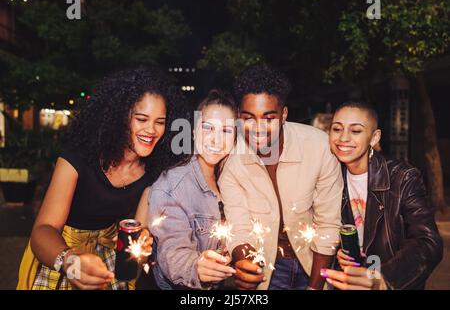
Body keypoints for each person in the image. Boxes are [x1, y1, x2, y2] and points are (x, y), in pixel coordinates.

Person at [17, 67, 185, 290]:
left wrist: (142, 246)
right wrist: (70, 262)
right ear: (120, 117)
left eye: (160, 122)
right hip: (59, 257)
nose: (151, 130)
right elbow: (43, 229)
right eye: (142, 119)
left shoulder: (154, 172)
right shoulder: (78, 157)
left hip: (108, 266)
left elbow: (139, 232)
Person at [218, 65, 343, 290]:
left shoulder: (318, 147)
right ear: (238, 116)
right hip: (266, 271)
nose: (258, 128)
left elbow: (328, 224)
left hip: (314, 263)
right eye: (248, 118)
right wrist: (245, 263)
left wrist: (315, 288)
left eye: (268, 118)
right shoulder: (230, 160)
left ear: (283, 115)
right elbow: (239, 226)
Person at [321, 100, 443, 290]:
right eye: (337, 129)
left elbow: (427, 242)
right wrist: (337, 251)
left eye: (355, 131)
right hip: (348, 282)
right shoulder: (330, 176)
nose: (343, 138)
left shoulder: (402, 177)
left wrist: (384, 277)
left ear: (374, 137)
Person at [148, 90, 238, 289]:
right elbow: (172, 250)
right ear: (193, 130)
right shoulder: (171, 186)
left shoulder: (234, 180)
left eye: (226, 130)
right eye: (208, 128)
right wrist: (195, 267)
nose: (216, 140)